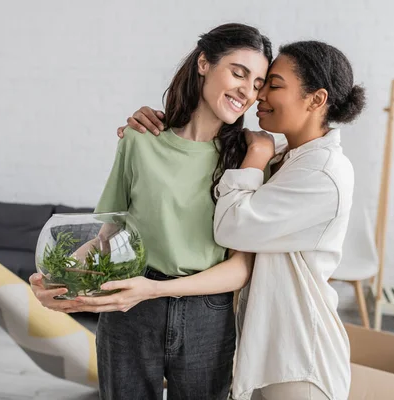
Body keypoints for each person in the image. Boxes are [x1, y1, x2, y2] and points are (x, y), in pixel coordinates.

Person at [104, 40, 366, 400]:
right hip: (265, 346)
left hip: (299, 352)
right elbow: (114, 227)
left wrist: (255, 155)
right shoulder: (286, 158)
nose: (257, 97)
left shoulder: (321, 172)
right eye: (252, 80)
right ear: (203, 64)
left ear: (316, 100)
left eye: (269, 85)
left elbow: (234, 230)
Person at [30, 23, 272, 400]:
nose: (247, 90)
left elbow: (242, 267)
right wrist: (58, 280)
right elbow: (107, 237)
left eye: (258, 83)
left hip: (208, 316)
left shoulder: (250, 157)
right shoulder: (140, 139)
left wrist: (155, 290)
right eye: (238, 73)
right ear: (204, 63)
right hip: (129, 310)